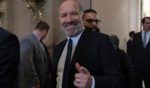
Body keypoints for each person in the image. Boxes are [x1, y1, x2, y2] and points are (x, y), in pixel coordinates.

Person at [50, 0, 123, 88]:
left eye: (74, 14)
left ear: (82, 17)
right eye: (64, 15)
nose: (69, 20)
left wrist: (92, 82)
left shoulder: (102, 41)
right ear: (59, 19)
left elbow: (117, 81)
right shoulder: (59, 48)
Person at [18, 21, 51, 88]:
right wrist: (34, 82)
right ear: (45, 31)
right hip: (32, 85)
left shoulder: (37, 41)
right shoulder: (27, 40)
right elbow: (26, 63)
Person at [132, 17, 150, 88]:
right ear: (142, 24)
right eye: (147, 23)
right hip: (137, 69)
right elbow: (132, 52)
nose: (149, 25)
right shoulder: (136, 36)